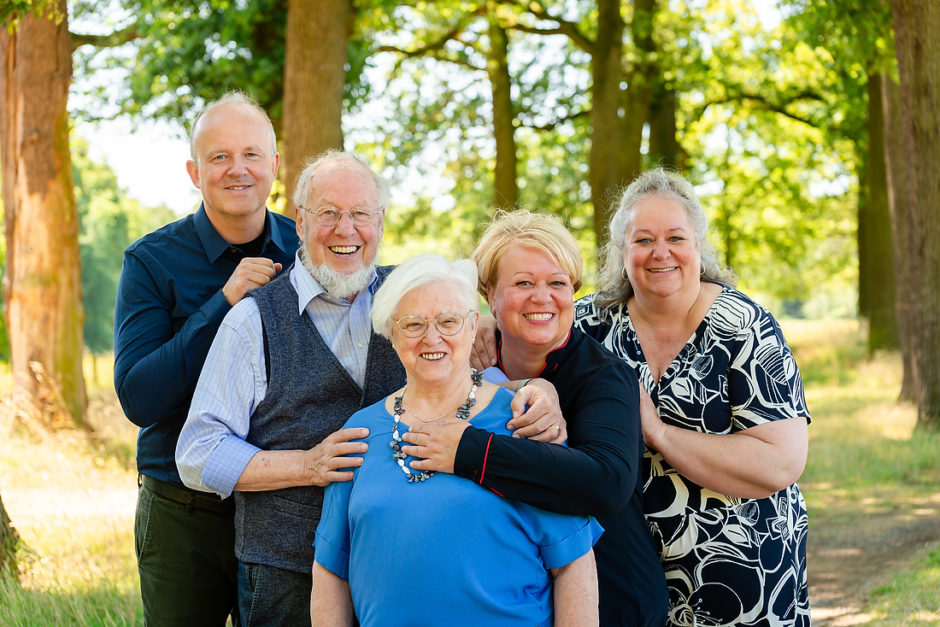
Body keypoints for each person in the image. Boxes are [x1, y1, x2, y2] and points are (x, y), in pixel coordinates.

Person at [175, 152, 563, 625]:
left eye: (361, 214)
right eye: (329, 213)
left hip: (398, 579)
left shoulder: (412, 299)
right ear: (299, 221)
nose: (346, 229)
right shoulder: (252, 320)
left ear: (380, 222)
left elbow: (472, 382)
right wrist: (306, 465)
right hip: (288, 574)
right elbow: (197, 451)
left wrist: (537, 388)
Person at [404, 211, 668, 626]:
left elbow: (607, 481)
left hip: (613, 602)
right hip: (512, 605)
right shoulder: (464, 369)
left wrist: (470, 451)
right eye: (523, 282)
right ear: (488, 294)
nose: (542, 297)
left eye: (557, 283)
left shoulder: (603, 376)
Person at [572, 167, 811, 626]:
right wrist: (484, 326)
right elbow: (527, 328)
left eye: (675, 238)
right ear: (621, 252)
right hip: (625, 580)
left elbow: (781, 462)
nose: (660, 252)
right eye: (642, 240)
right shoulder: (589, 325)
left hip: (743, 573)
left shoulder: (744, 327)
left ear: (698, 246)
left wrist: (659, 432)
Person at [311, 253, 602, 626]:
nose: (433, 338)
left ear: (471, 327)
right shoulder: (360, 432)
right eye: (414, 324)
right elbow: (331, 569)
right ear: (392, 334)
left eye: (448, 321)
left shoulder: (523, 422)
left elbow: (574, 564)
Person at [113, 92, 297, 625]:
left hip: (281, 505)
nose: (237, 169)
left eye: (252, 155)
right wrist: (222, 304)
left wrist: (475, 319)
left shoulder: (307, 248)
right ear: (195, 172)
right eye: (219, 157)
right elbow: (139, 398)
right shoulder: (151, 261)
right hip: (182, 513)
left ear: (274, 166)